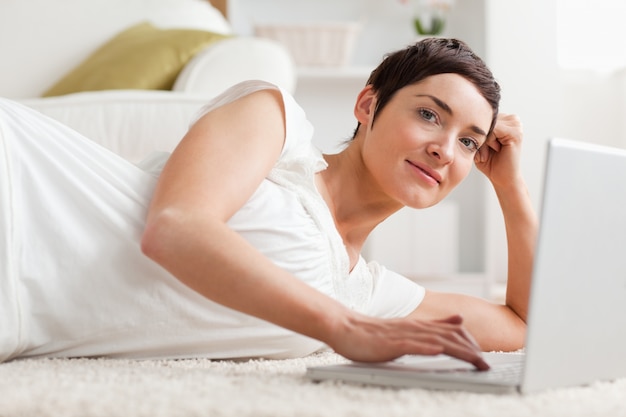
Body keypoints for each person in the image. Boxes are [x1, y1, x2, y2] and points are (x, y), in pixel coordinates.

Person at [0, 38, 536, 369]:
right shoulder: (275, 120)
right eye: (429, 114)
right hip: (19, 191)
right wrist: (342, 329)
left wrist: (512, 191)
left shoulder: (365, 293)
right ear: (368, 104)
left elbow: (522, 325)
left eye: (469, 140)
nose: (445, 149)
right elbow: (176, 227)